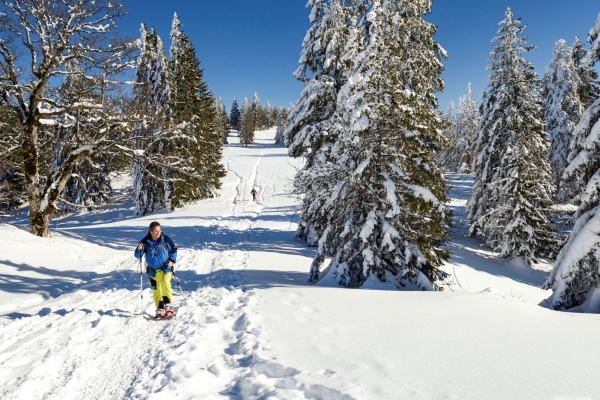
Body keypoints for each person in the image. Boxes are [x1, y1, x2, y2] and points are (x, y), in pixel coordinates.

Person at [134, 221, 178, 319]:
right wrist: (139, 248)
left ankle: (169, 307)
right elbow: (138, 255)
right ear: (151, 231)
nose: (158, 233)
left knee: (166, 284)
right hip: (153, 270)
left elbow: (173, 251)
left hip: (166, 267)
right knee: (156, 289)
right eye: (156, 231)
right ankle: (159, 309)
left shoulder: (165, 239)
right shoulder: (145, 241)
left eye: (159, 230)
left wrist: (171, 260)